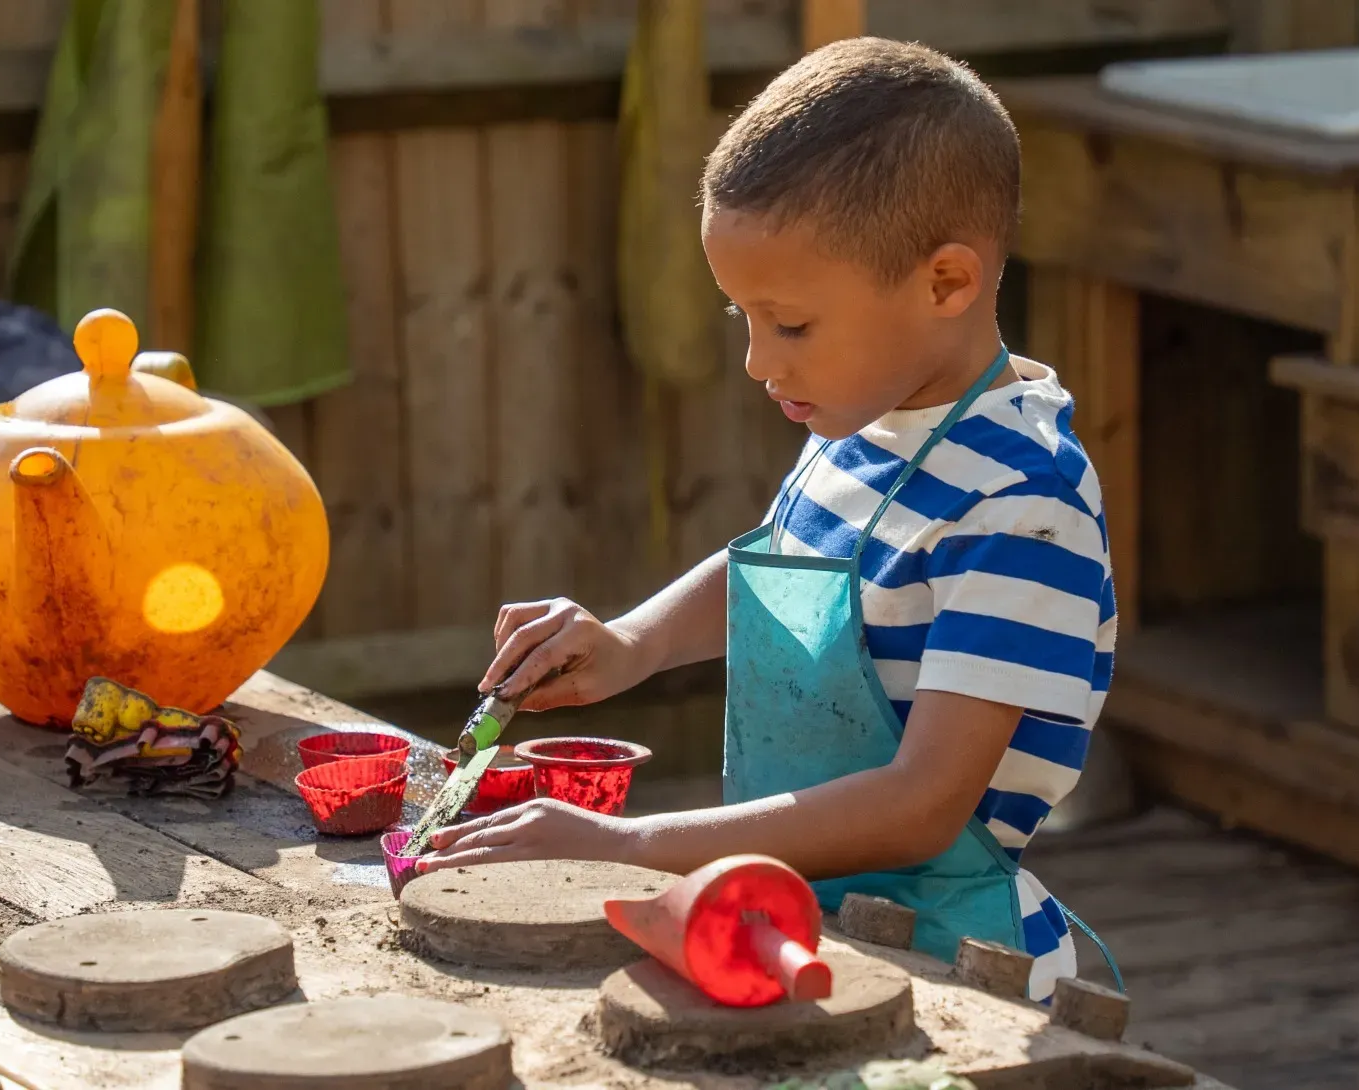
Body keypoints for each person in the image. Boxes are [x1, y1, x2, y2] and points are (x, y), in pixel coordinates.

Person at [417, 37, 1120, 1003]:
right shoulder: (868, 422)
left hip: (953, 968)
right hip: (797, 918)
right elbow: (780, 563)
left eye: (789, 324)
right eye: (741, 317)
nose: (756, 360)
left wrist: (624, 848)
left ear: (947, 282)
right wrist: (630, 642)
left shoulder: (1023, 503)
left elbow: (919, 809)